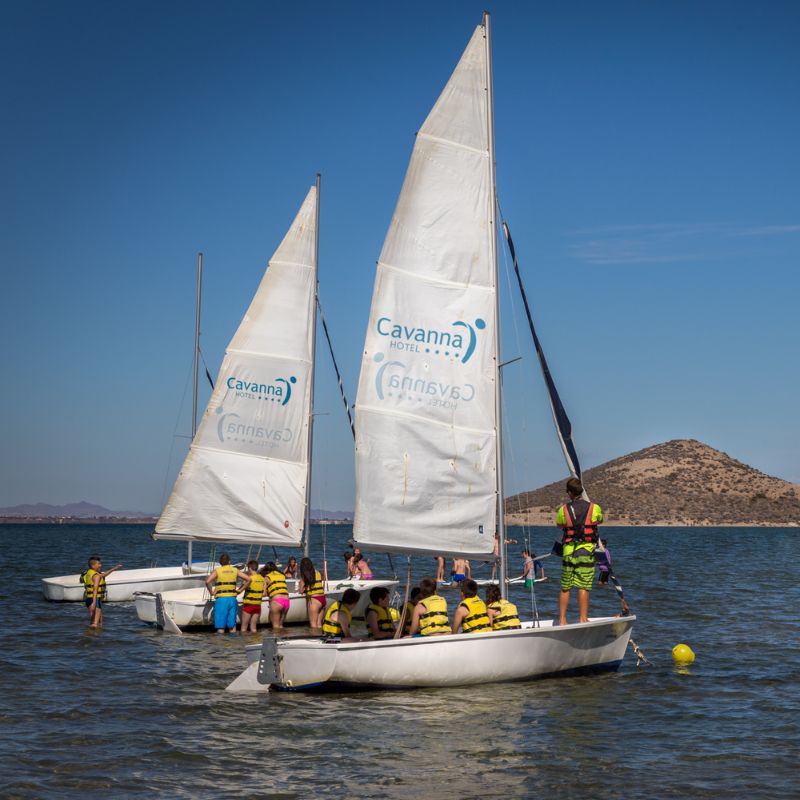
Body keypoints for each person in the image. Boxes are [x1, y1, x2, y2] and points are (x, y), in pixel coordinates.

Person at [556, 477, 603, 625]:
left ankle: (562, 620)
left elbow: (559, 524)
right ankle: (583, 619)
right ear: (581, 491)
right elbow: (599, 520)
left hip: (568, 552)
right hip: (586, 551)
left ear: (569, 493)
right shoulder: (594, 508)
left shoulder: (563, 509)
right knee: (584, 586)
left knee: (566, 586)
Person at [206, 554, 249, 633]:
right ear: (229, 561)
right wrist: (240, 590)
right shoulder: (235, 570)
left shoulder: (218, 571)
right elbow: (248, 579)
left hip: (221, 600)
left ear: (220, 562)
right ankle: (232, 643)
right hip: (232, 599)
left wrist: (211, 592)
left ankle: (220, 643)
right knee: (232, 626)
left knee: (220, 627)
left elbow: (207, 581)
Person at [81, 555, 122, 628]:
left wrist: (114, 569)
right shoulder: (96, 576)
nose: (100, 565)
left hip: (88, 599)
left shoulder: (88, 573)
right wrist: (94, 602)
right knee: (95, 624)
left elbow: (103, 575)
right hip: (95, 600)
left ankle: (92, 636)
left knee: (95, 621)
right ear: (93, 565)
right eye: (99, 564)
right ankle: (95, 636)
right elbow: (95, 589)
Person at [262, 561, 290, 631]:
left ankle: (276, 641)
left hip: (277, 601)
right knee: (280, 626)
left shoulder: (267, 577)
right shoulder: (282, 575)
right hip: (287, 601)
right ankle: (283, 640)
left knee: (275, 627)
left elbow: (264, 593)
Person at [299, 556, 326, 629]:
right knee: (319, 625)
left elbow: (301, 591)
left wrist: (303, 587)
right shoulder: (318, 572)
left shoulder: (304, 576)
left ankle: (314, 639)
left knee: (313, 626)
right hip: (323, 599)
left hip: (314, 600)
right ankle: (320, 639)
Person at [240, 560, 266, 634]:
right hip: (257, 605)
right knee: (253, 628)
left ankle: (245, 643)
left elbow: (240, 590)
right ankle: (255, 642)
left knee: (244, 628)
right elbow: (264, 593)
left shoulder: (249, 579)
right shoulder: (262, 578)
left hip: (248, 605)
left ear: (250, 568)